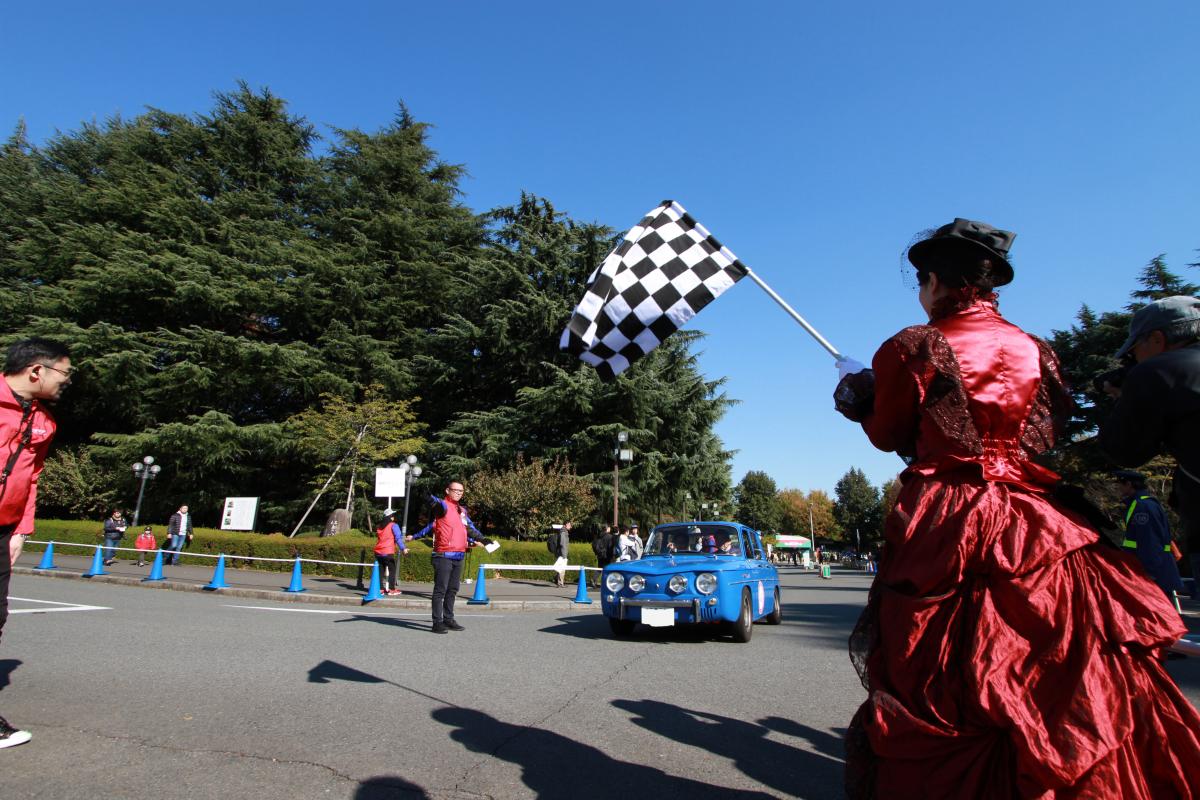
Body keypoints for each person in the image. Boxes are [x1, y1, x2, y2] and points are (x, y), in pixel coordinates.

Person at [833, 218, 1200, 797]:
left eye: (922, 282)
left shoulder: (916, 343)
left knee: (942, 669)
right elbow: (1042, 434)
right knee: (1055, 666)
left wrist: (858, 396)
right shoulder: (1036, 349)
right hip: (1035, 515)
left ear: (934, 282)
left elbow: (888, 432)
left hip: (952, 514)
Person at [1099, 295, 1200, 601]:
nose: (1134, 360)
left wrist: (1122, 399)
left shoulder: (1160, 371)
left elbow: (1124, 450)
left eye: (1134, 351)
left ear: (1157, 339)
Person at [1, 337, 71, 750]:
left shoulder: (44, 421)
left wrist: (20, 530)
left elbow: (33, 475)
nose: (67, 380)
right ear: (36, 371)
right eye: (64, 372)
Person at [408, 481, 488, 634]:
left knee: (453, 589)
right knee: (440, 590)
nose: (459, 493)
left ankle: (448, 619)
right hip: (443, 555)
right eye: (455, 490)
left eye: (461, 491)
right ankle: (437, 622)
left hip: (459, 555)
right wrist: (426, 495)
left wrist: (484, 539)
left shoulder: (461, 510)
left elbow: (470, 528)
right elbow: (434, 503)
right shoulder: (443, 506)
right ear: (447, 490)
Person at [1113, 470, 1185, 602]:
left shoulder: (1142, 507)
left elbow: (1150, 540)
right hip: (1151, 568)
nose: (1117, 487)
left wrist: (1150, 572)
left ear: (1129, 484)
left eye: (1120, 484)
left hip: (1152, 571)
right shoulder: (1141, 504)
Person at [373, 509, 407, 596]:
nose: (393, 517)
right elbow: (398, 538)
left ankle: (380, 589)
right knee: (392, 570)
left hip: (378, 551)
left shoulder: (379, 526)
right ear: (390, 517)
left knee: (380, 570)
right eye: (392, 515)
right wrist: (403, 548)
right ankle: (392, 589)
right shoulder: (393, 525)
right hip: (387, 551)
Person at [550, 522, 571, 587]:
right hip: (562, 553)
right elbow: (562, 543)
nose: (570, 526)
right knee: (562, 569)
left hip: (561, 552)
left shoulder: (563, 531)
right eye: (569, 525)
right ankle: (560, 583)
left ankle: (558, 581)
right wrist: (564, 555)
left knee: (560, 568)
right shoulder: (563, 532)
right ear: (565, 525)